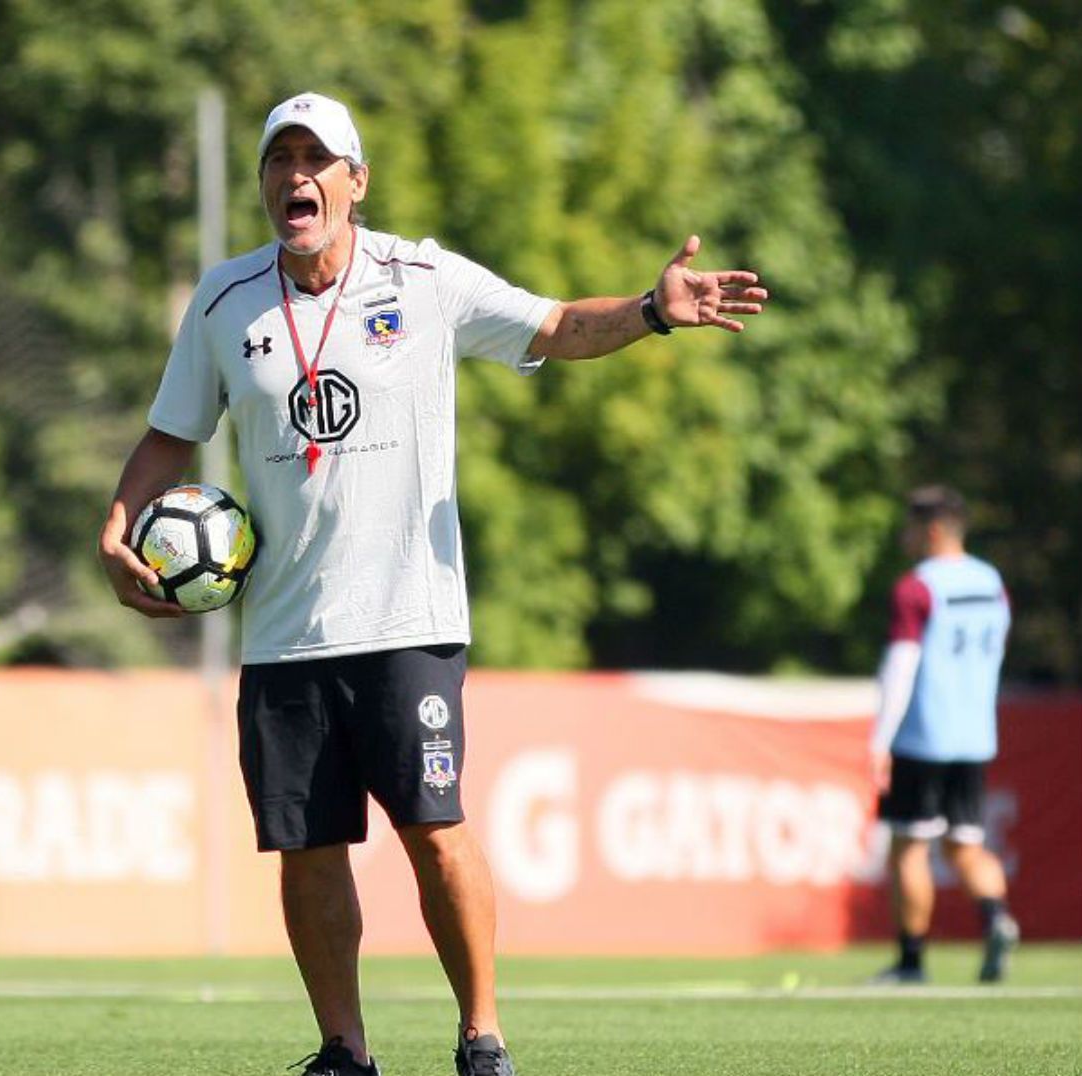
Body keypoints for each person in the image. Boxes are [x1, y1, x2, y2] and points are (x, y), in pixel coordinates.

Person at [98, 92, 765, 1076]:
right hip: (283, 631)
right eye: (280, 159)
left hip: (407, 618)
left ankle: (482, 1035)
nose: (296, 176)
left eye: (317, 160)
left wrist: (649, 312)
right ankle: (343, 1048)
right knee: (307, 848)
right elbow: (171, 433)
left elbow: (554, 326)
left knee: (435, 831)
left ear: (355, 182)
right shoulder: (224, 298)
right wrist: (117, 525)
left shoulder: (422, 278)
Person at [867, 485, 1016, 985]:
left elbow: (902, 664)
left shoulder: (917, 586)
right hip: (975, 735)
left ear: (931, 530)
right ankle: (996, 918)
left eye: (910, 528)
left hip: (923, 735)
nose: (904, 537)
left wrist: (880, 739)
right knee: (965, 846)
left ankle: (910, 962)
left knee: (909, 847)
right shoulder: (992, 582)